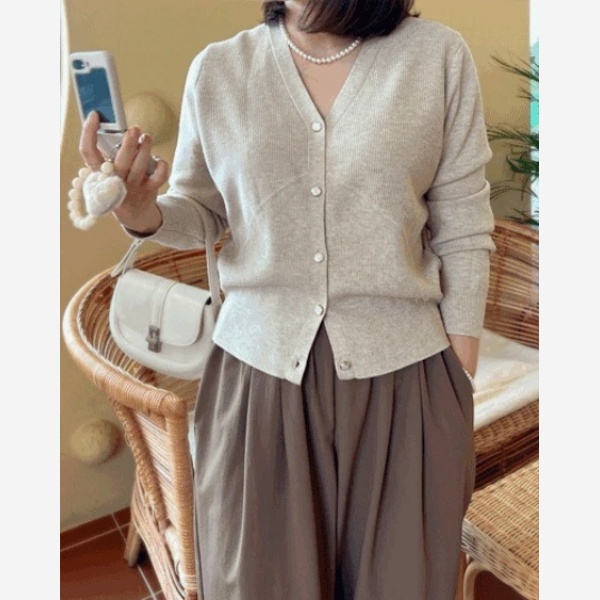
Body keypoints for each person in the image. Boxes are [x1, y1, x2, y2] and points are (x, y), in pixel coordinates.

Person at [78, 1, 495, 598]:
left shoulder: (436, 57)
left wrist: (459, 370)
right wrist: (140, 210)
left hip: (406, 378)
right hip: (258, 381)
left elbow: (463, 220)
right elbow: (202, 212)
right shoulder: (220, 68)